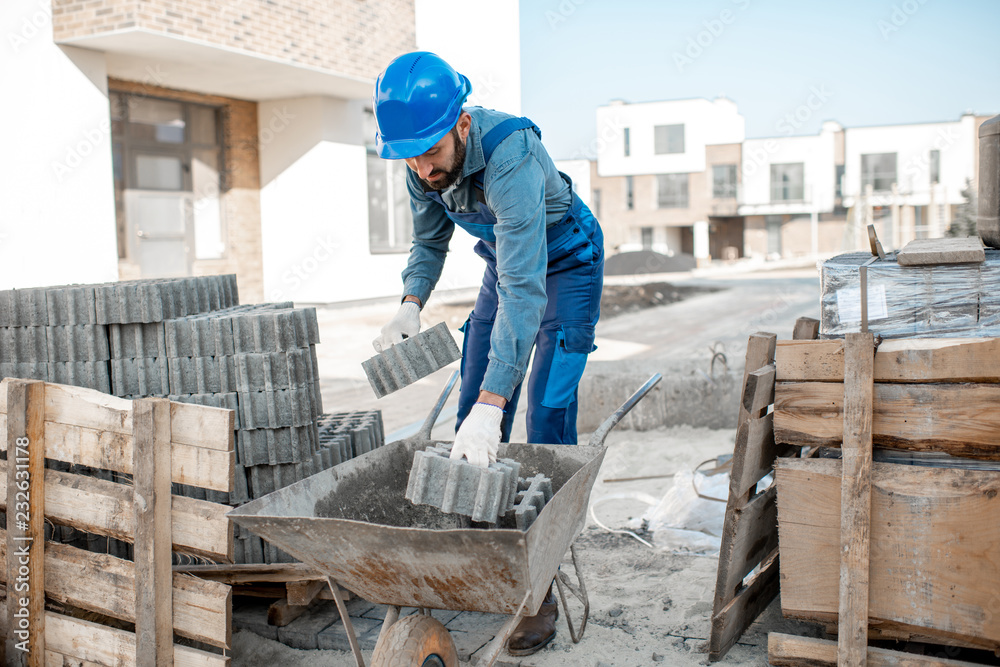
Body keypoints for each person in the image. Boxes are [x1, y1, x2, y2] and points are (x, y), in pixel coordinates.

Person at [371, 51, 604, 656]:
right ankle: (481, 560)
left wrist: (499, 397)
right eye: (411, 156)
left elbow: (528, 288)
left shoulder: (511, 154)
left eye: (432, 152)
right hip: (509, 263)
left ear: (462, 124)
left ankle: (538, 588)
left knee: (544, 418)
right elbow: (429, 243)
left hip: (565, 264)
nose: (423, 168)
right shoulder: (416, 159)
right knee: (471, 407)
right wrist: (409, 303)